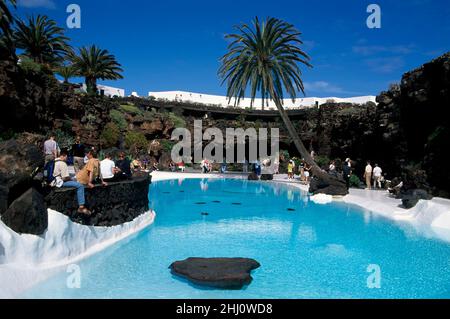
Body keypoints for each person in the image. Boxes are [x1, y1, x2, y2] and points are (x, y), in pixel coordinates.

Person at [53, 150, 91, 215]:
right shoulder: (62, 163)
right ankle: (81, 207)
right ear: (64, 156)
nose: (67, 158)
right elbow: (65, 178)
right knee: (80, 186)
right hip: (60, 182)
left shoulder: (54, 161)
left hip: (53, 181)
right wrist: (72, 179)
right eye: (66, 157)